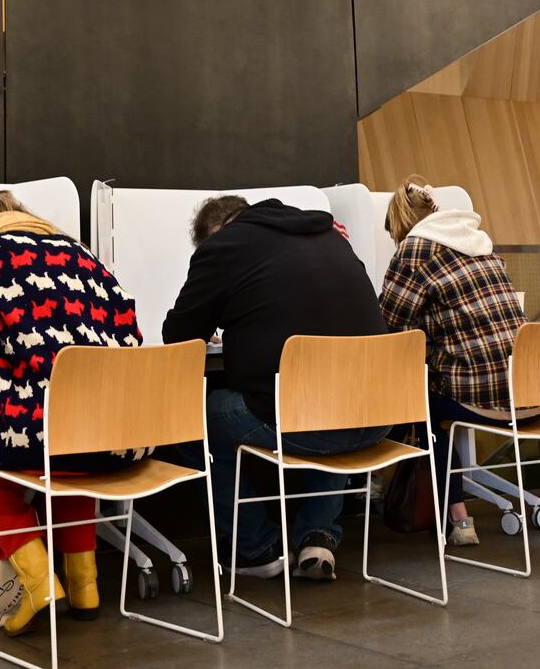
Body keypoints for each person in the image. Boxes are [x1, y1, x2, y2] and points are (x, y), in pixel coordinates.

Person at [163, 195, 389, 583]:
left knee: (197, 415)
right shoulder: (331, 237)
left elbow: (180, 336)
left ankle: (255, 548)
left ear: (215, 233)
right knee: (327, 396)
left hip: (308, 420)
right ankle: (318, 536)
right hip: (378, 413)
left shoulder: (224, 246)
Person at [0, 190, 146, 635]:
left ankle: (40, 585)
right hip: (114, 434)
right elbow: (131, 335)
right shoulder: (82, 252)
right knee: (72, 457)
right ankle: (85, 586)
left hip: (45, 434)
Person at [379, 178, 532, 547]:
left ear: (401, 227)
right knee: (432, 399)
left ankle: (457, 516)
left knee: (423, 405)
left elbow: (386, 323)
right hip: (528, 392)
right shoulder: (479, 242)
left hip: (479, 397)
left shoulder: (415, 249)